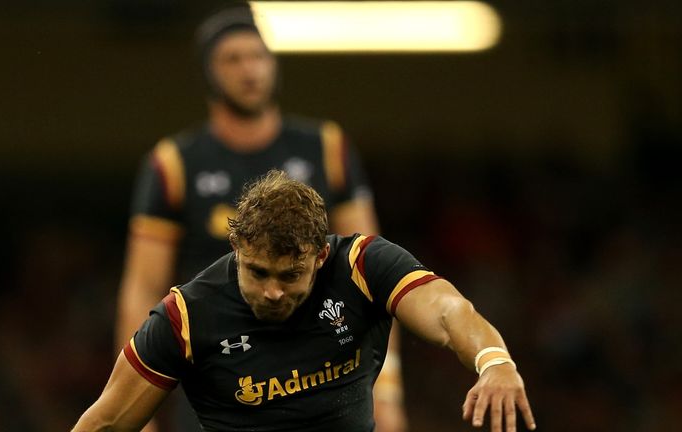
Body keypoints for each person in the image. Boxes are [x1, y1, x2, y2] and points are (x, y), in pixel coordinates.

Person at [114, 3, 405, 431]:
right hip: (215, 375)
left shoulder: (326, 148)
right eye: (232, 59)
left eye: (258, 56)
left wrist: (388, 390)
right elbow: (142, 286)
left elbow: (374, 271)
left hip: (322, 371)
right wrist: (139, 407)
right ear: (208, 72)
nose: (249, 70)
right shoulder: (174, 164)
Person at [74, 170, 536, 432]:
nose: (273, 291)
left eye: (291, 275)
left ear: (319, 257)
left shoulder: (363, 266)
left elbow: (448, 310)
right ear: (237, 249)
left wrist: (494, 361)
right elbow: (105, 423)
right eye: (258, 272)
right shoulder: (186, 317)